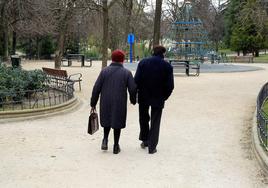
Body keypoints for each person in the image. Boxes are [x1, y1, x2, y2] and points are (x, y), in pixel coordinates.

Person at [90, 50, 136, 154]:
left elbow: (96, 88)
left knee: (106, 120)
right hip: (119, 100)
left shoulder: (104, 71)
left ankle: (105, 140)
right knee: (117, 122)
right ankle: (116, 145)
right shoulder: (127, 73)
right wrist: (133, 100)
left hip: (105, 99)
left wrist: (93, 102)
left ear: (112, 58)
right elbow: (132, 89)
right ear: (123, 60)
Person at [134, 45, 174, 154]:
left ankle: (145, 140)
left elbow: (136, 80)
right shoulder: (167, 66)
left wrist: (136, 94)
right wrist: (164, 96)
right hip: (158, 96)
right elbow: (170, 86)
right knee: (155, 121)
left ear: (153, 52)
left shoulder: (143, 63)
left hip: (143, 95)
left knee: (143, 118)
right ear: (163, 54)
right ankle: (152, 146)